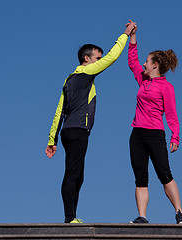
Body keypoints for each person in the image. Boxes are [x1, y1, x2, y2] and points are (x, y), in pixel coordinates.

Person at [45, 21, 136, 224]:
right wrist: (125, 34)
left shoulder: (69, 80)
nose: (100, 61)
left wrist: (53, 139)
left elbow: (59, 111)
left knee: (77, 174)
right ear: (87, 59)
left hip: (70, 131)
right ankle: (69, 219)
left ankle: (71, 217)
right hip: (77, 130)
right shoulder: (85, 73)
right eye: (97, 58)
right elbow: (112, 57)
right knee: (73, 173)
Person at [126, 20, 182, 224]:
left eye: (147, 61)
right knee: (140, 178)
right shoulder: (142, 79)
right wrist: (133, 36)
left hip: (155, 134)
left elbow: (171, 114)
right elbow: (132, 61)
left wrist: (175, 136)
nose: (143, 64)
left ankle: (179, 213)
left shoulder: (166, 87)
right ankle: (142, 217)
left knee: (164, 174)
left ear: (155, 65)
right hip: (137, 135)